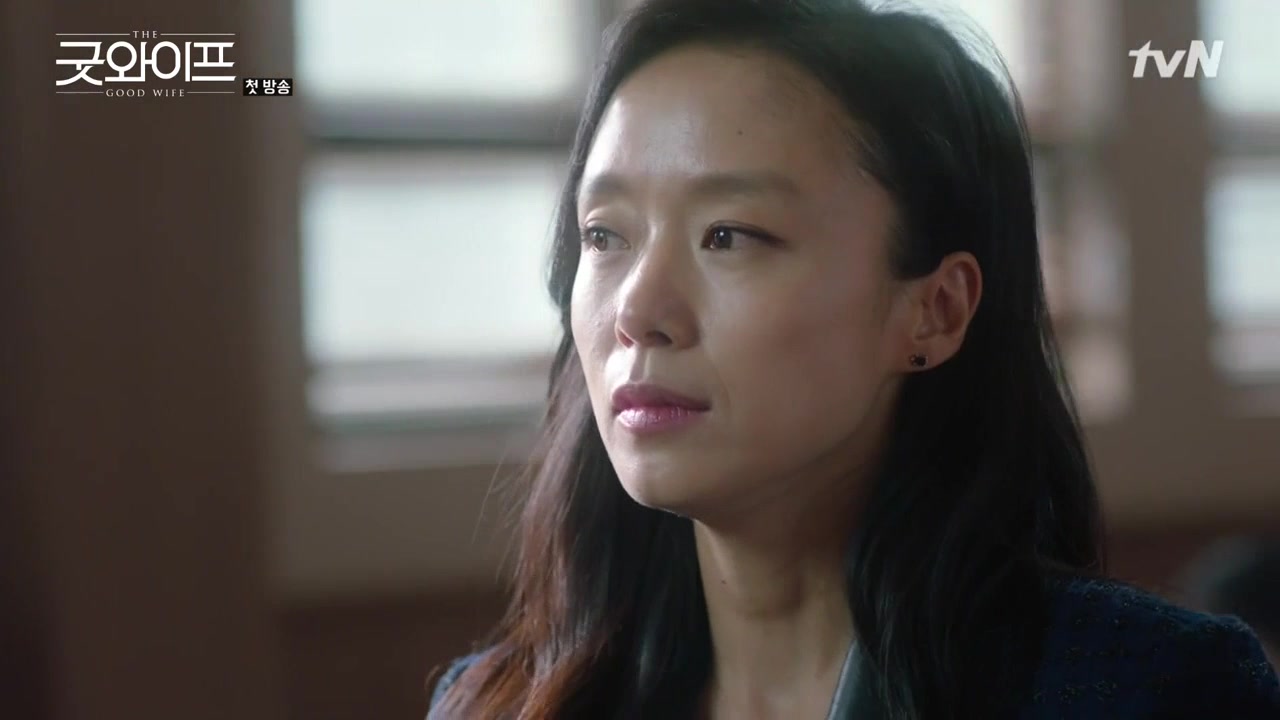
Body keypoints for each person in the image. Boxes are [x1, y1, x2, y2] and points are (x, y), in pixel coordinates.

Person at [427, 0, 1280, 717]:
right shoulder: (492, 705)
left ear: (934, 311)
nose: (638, 314)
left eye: (729, 235)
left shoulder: (1146, 691)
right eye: (604, 236)